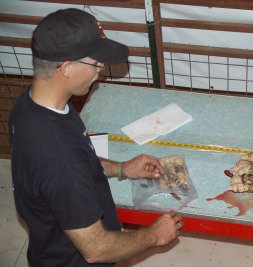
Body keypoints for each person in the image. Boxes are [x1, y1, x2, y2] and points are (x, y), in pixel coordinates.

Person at [9, 8, 183, 267]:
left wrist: (122, 169)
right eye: (95, 63)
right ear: (66, 68)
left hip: (50, 245)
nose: (100, 69)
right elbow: (95, 249)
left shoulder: (29, 106)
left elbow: (79, 160)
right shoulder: (60, 161)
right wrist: (153, 235)